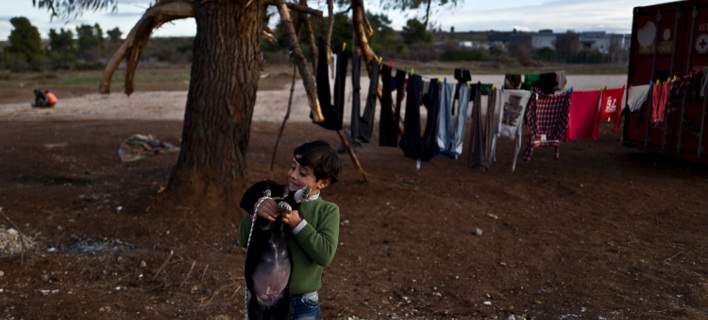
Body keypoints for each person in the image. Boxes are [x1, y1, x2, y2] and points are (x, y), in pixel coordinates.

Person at [238, 140, 342, 320]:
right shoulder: (275, 196)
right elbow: (243, 238)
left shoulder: (327, 211)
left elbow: (324, 255)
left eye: (302, 173)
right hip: (267, 300)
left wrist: (298, 224)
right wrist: (258, 210)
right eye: (292, 167)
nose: (292, 175)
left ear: (323, 182)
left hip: (303, 302)